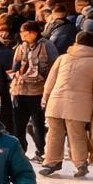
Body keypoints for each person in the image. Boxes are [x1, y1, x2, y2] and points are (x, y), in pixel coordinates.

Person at [40, 30, 93, 178]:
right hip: (80, 104)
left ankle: (51, 162)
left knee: (54, 133)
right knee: (77, 133)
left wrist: (45, 97)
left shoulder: (63, 58)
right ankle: (81, 163)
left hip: (56, 100)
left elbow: (51, 80)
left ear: (75, 42)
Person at [9, 20, 57, 160]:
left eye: (26, 32)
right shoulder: (21, 47)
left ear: (34, 33)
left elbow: (53, 66)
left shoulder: (47, 46)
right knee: (19, 124)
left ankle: (40, 151)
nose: (23, 35)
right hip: (20, 89)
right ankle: (20, 151)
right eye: (21, 32)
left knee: (38, 123)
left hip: (38, 90)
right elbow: (15, 66)